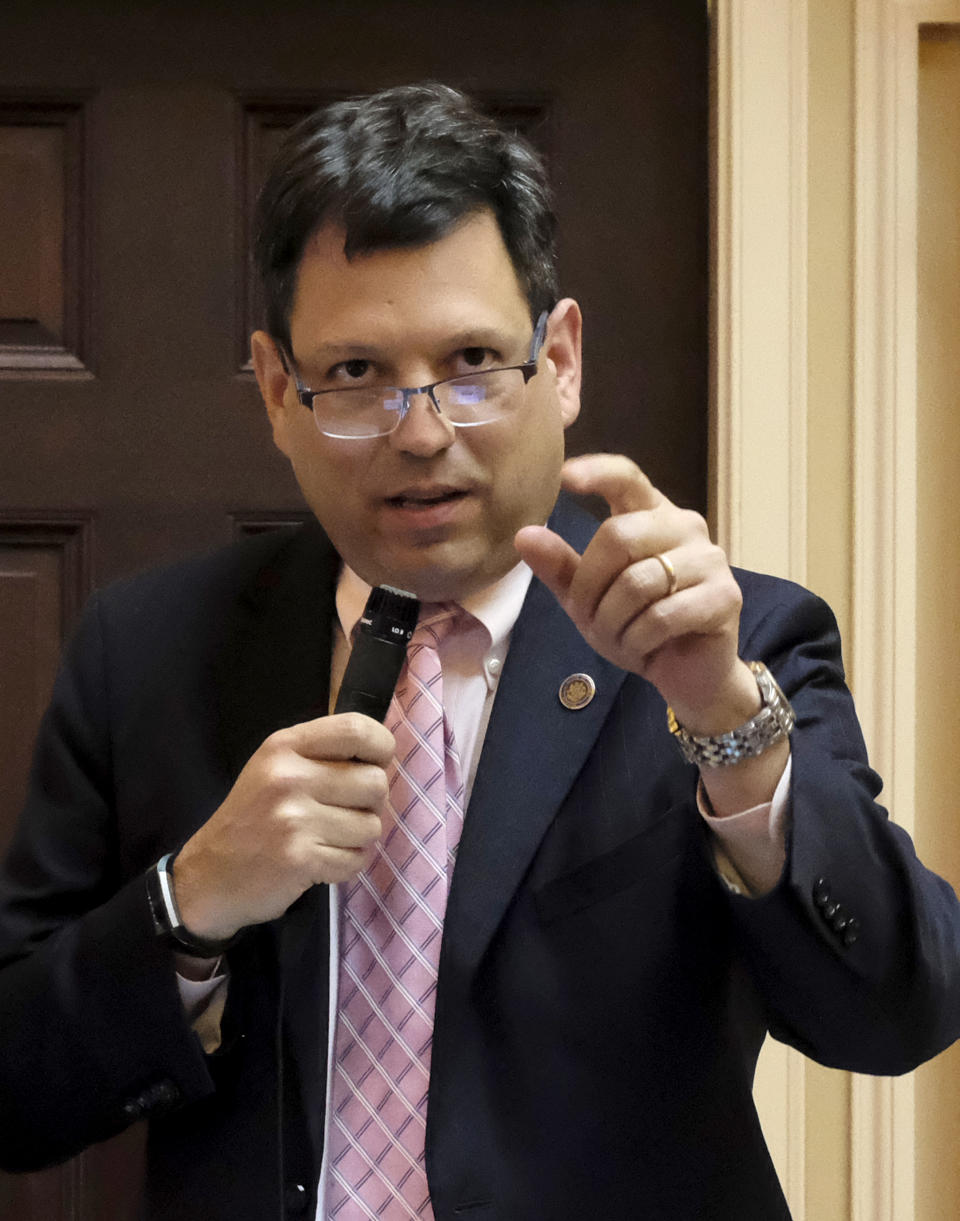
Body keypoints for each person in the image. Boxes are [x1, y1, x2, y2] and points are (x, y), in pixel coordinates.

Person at [1, 83, 958, 1221]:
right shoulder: (146, 650)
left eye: (470, 363)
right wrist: (192, 902)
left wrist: (727, 727)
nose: (419, 432)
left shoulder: (727, 641)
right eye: (354, 374)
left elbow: (898, 1014)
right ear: (275, 389)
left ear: (558, 360)